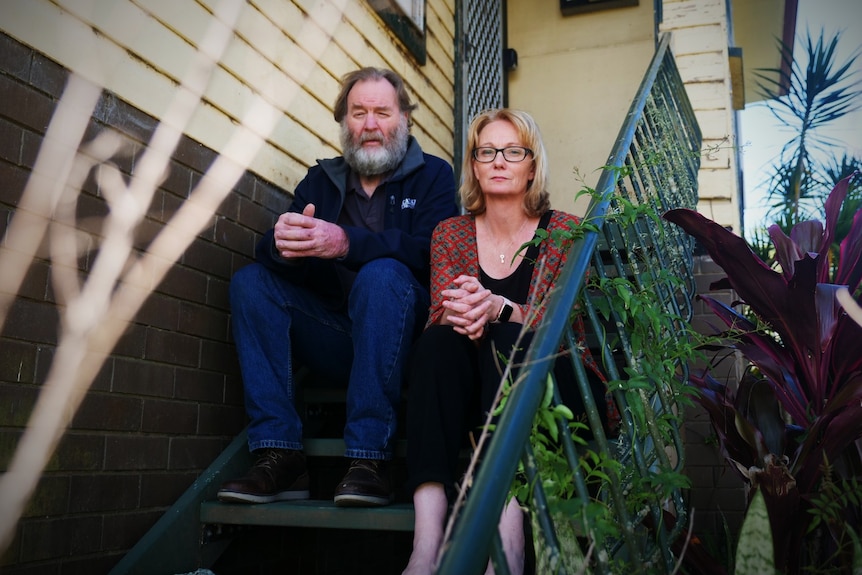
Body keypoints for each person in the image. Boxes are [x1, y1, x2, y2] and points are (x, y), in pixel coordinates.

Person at [217, 67, 458, 508]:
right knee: (252, 283)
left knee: (382, 274)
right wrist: (283, 248)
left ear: (405, 119)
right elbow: (273, 257)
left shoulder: (434, 176)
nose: (370, 124)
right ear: (344, 122)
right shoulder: (320, 181)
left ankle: (369, 459)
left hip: (406, 342)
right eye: (358, 112)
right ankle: (280, 454)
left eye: (382, 112)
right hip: (336, 337)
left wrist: (346, 242)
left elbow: (433, 253)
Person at [401, 108, 609, 575]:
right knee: (436, 343)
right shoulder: (449, 233)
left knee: (513, 337)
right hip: (475, 376)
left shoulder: (566, 233)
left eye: (513, 152)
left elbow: (562, 322)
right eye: (487, 151)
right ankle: (426, 545)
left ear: (532, 165)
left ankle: (508, 538)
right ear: (474, 165)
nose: (499, 161)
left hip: (559, 383)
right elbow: (441, 311)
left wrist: (498, 309)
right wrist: (468, 314)